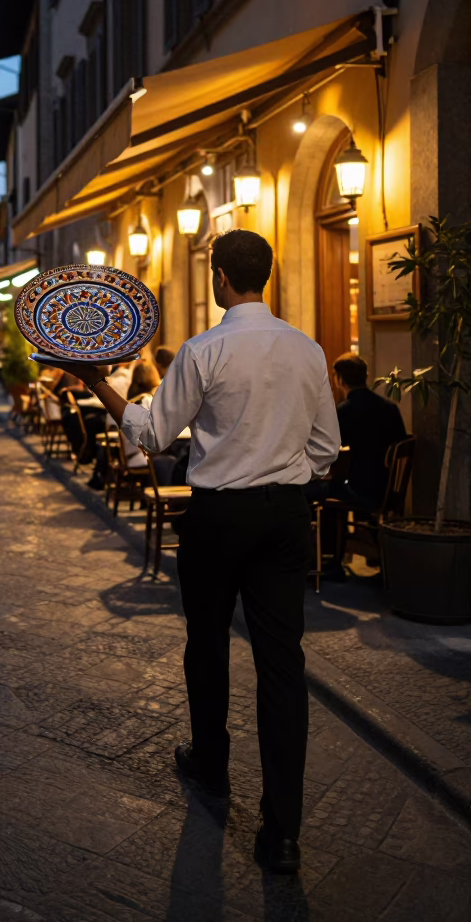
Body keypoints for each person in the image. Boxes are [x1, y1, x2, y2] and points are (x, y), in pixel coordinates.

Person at [62, 229, 339, 875]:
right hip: (283, 516)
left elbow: (155, 433)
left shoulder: (203, 348)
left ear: (218, 278)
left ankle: (211, 763)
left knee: (208, 642)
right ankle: (284, 832)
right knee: (282, 667)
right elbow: (326, 447)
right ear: (265, 277)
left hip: (217, 516)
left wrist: (99, 383)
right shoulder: (305, 349)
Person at [304, 351, 406, 575]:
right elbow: (399, 440)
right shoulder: (390, 408)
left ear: (338, 379)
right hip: (387, 489)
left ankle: (321, 559)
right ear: (366, 376)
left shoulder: (346, 410)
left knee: (307, 491)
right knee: (332, 487)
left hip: (361, 490)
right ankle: (335, 556)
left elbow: (328, 448)